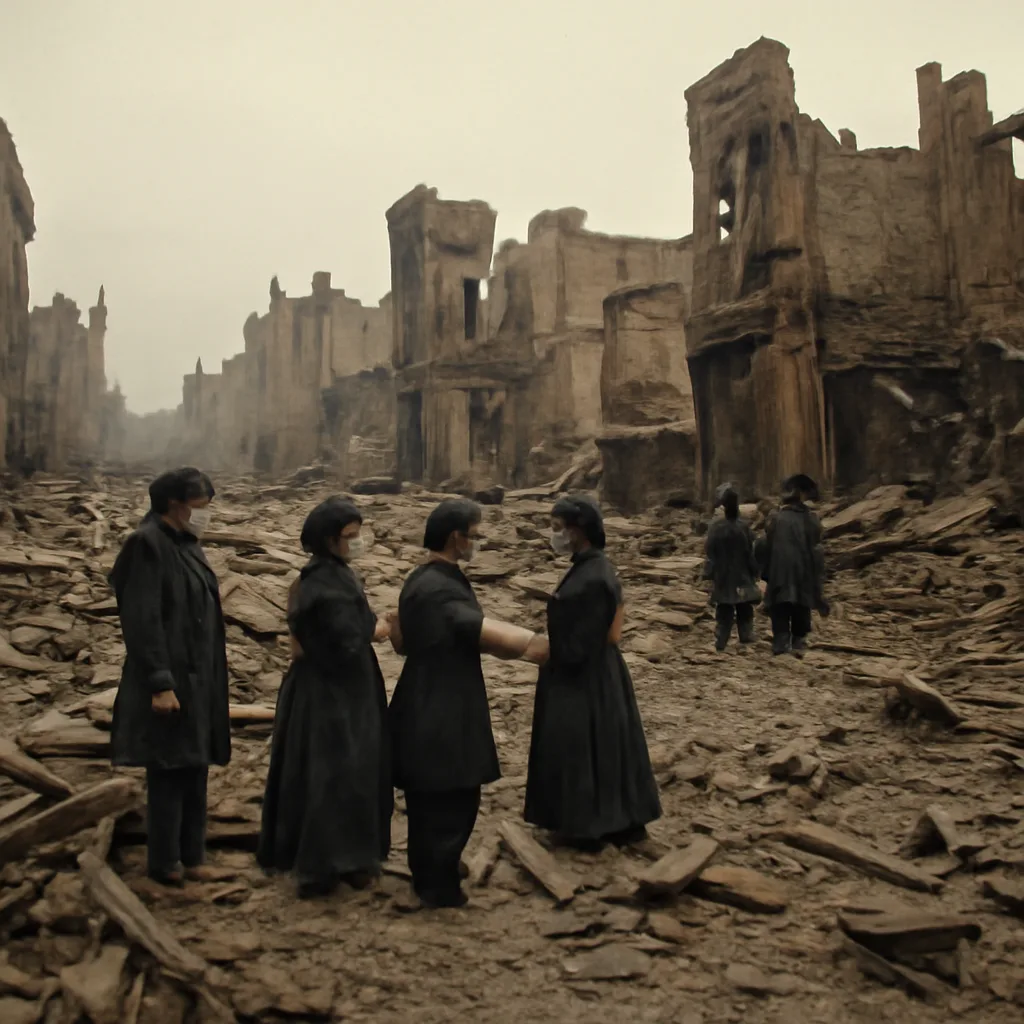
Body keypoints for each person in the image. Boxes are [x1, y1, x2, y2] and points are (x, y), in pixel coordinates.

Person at [388, 498, 541, 908]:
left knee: (430, 793)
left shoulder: (421, 577)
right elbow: (473, 627)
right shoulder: (441, 587)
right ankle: (437, 885)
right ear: (455, 537)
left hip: (424, 692)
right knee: (451, 793)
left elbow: (407, 636)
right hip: (444, 700)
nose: (477, 541)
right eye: (474, 534)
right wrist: (534, 645)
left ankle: (433, 867)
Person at [257, 497, 392, 898]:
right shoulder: (329, 585)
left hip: (325, 686)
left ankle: (338, 857)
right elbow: (347, 638)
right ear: (330, 539)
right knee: (338, 773)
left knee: (325, 771)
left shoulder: (320, 577)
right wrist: (377, 629)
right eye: (351, 535)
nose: (358, 541)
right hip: (335, 692)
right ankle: (328, 864)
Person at [108, 467, 229, 886]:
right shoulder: (146, 545)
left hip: (198, 677)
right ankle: (164, 864)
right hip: (170, 678)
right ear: (175, 505)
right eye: (200, 506)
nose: (206, 513)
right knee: (167, 769)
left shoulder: (186, 544)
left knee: (194, 765)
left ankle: (193, 857)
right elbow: (142, 620)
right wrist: (160, 682)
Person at [523, 495, 661, 849]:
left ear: (577, 530)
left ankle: (588, 827)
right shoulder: (592, 568)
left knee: (581, 748)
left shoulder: (592, 575)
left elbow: (602, 634)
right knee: (604, 747)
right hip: (595, 672)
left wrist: (550, 650)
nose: (554, 535)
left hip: (583, 675)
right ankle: (611, 821)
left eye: (558, 528)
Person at [755, 473, 829, 657]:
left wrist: (763, 569)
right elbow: (816, 545)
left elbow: (763, 544)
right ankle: (798, 640)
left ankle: (780, 641)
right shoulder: (811, 519)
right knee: (802, 604)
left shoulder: (775, 518)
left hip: (779, 569)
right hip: (803, 569)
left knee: (780, 604)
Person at [703, 482, 761, 651]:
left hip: (723, 574)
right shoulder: (743, 527)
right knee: (744, 606)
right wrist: (755, 570)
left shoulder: (715, 527)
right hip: (742, 573)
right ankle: (746, 634)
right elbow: (751, 551)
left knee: (724, 608)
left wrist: (709, 573)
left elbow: (710, 551)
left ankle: (721, 638)